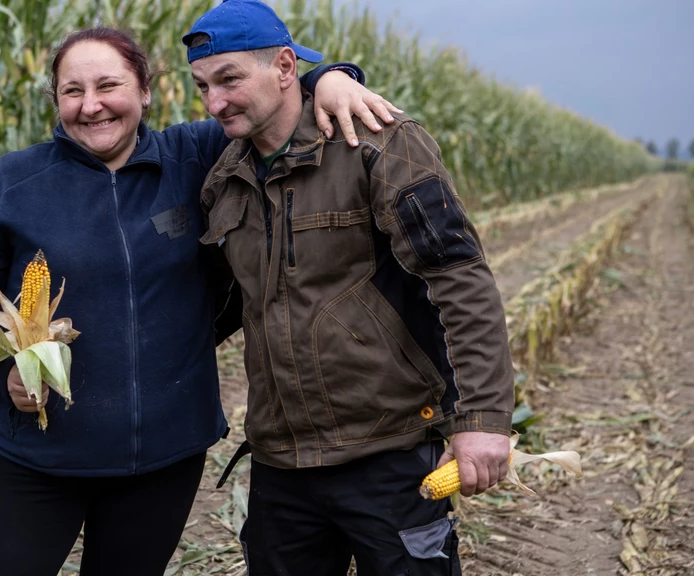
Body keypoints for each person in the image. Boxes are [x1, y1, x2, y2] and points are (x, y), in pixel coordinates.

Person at [0, 24, 401, 576]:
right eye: (72, 91)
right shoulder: (12, 183)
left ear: (146, 90)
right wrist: (3, 370)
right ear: (56, 101)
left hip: (164, 460)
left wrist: (333, 78)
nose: (92, 106)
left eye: (109, 86)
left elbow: (271, 98)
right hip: (39, 457)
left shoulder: (195, 156)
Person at [184, 1, 516, 574]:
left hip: (387, 453)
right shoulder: (225, 177)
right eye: (202, 85)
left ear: (286, 67)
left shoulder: (378, 144)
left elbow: (458, 277)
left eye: (230, 79)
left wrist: (482, 417)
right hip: (280, 463)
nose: (214, 102)